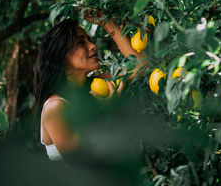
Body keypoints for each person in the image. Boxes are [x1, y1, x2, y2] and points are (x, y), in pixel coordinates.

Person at [33, 9, 146, 160]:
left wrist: (109, 25)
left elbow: (142, 66)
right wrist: (109, 108)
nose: (93, 45)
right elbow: (85, 162)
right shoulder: (55, 108)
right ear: (60, 55)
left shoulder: (97, 85)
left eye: (89, 40)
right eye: (81, 42)